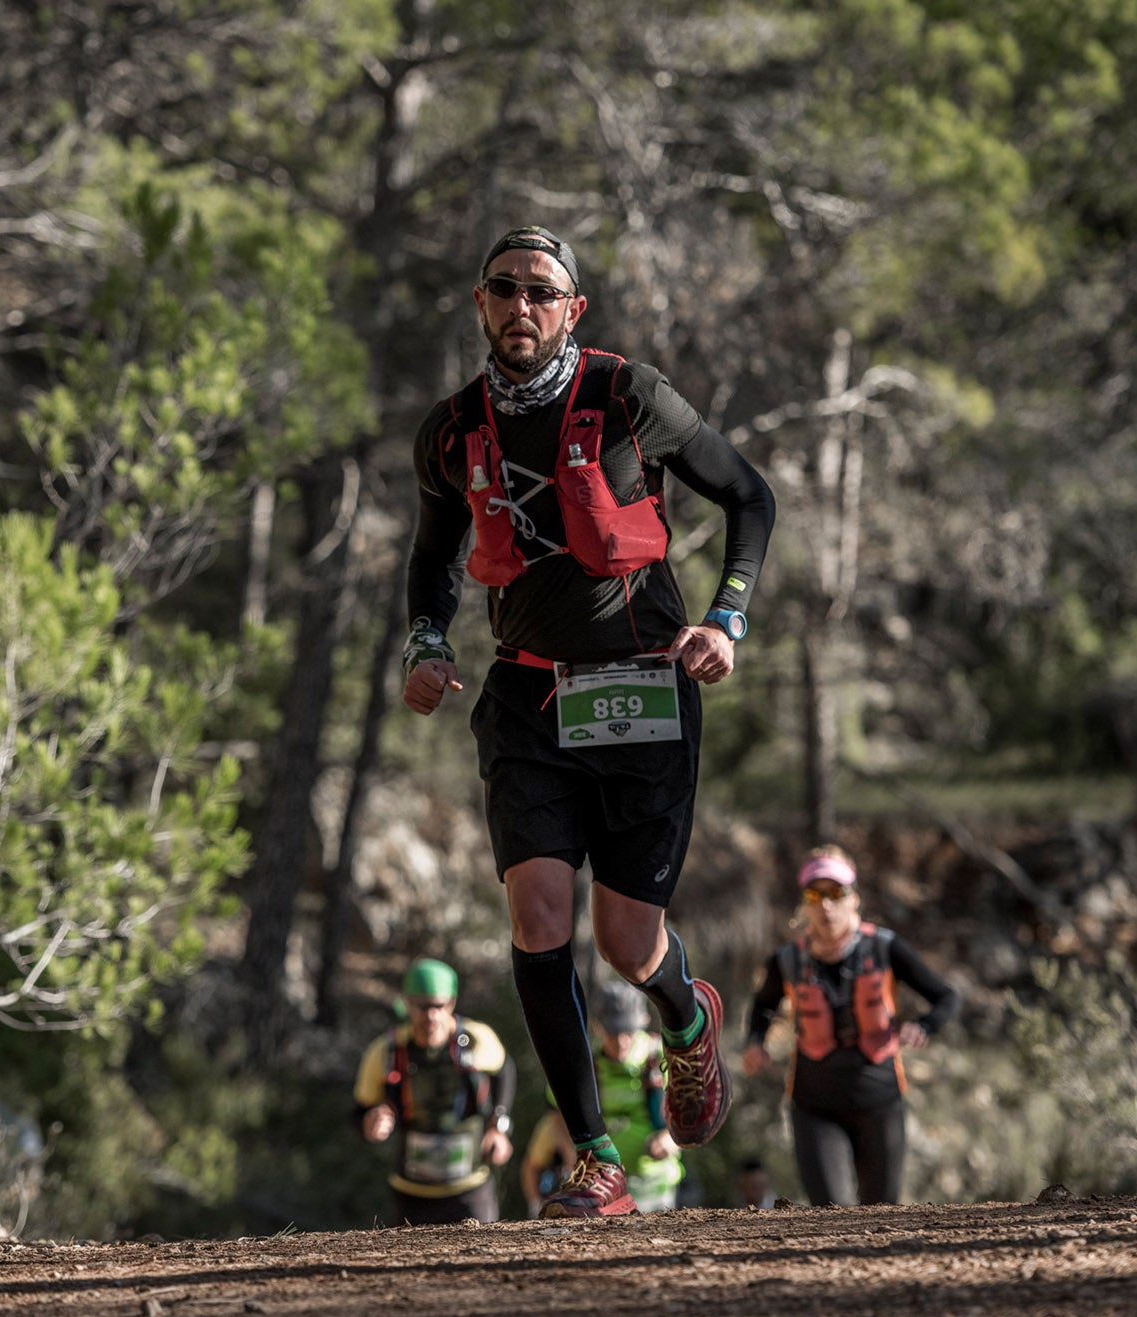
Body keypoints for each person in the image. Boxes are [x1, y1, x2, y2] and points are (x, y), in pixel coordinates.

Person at [402, 225, 776, 1218]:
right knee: (537, 919)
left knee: (624, 943)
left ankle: (686, 1021)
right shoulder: (450, 431)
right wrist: (426, 644)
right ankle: (595, 1159)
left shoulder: (626, 396)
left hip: (643, 689)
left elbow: (749, 495)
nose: (519, 306)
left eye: (540, 291)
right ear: (478, 305)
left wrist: (727, 616)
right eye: (502, 288)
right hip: (525, 699)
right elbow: (430, 561)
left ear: (572, 310)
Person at [740, 847, 961, 1207]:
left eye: (835, 893)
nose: (826, 905)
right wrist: (755, 1042)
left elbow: (946, 997)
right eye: (815, 895)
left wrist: (924, 1026)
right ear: (805, 904)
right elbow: (762, 1006)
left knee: (881, 1212)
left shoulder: (885, 948)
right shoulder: (787, 960)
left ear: (854, 899)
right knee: (830, 1215)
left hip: (880, 1102)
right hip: (815, 1107)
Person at [352, 958, 517, 1226]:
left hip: (470, 1189)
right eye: (421, 1006)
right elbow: (360, 1110)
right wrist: (371, 1122)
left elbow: (505, 1070)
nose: (430, 1016)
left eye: (438, 1006)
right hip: (411, 1192)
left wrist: (499, 1126)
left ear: (451, 1003)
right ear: (407, 1003)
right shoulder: (385, 1052)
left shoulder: (476, 1039)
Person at [519, 981, 682, 1215]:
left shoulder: (661, 1059)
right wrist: (572, 1155)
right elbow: (557, 1115)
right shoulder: (586, 1068)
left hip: (657, 1185)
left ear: (644, 1021)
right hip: (602, 1189)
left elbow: (690, 1112)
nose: (621, 1042)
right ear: (598, 1027)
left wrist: (671, 1139)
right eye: (613, 1033)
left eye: (628, 1032)